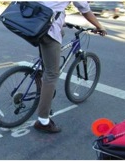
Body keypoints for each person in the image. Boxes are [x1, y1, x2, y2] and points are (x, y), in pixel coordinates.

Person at [33, 1, 107, 133]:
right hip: (48, 29)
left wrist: (62, 19)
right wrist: (99, 26)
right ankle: (43, 121)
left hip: (32, 23)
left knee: (48, 57)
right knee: (52, 74)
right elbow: (85, 10)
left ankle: (40, 80)